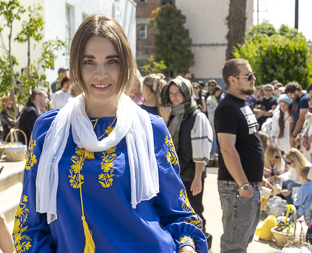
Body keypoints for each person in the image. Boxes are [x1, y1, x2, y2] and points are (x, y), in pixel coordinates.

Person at [12, 14, 208, 253]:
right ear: (76, 66)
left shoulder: (151, 128)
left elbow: (179, 215)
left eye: (112, 61)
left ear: (125, 65)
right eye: (89, 62)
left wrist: (187, 248)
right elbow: (28, 224)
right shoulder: (48, 130)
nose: (101, 73)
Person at [214, 58, 265, 253]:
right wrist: (244, 184)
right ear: (232, 80)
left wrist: (260, 175)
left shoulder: (241, 104)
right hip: (236, 186)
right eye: (249, 76)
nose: (254, 79)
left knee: (242, 242)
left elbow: (247, 143)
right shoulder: (227, 108)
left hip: (246, 184)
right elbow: (227, 148)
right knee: (234, 245)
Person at [161, 76, 213, 236]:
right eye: (171, 93)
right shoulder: (171, 115)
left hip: (191, 175)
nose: (174, 96)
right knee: (177, 212)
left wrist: (197, 178)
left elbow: (201, 150)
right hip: (175, 174)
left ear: (187, 93)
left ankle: (199, 244)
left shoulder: (197, 117)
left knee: (194, 211)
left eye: (178, 92)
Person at [285, 81, 309, 147]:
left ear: (296, 91)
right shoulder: (296, 100)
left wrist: (293, 135)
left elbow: (301, 120)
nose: (290, 97)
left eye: (290, 95)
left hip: (302, 135)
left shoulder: (304, 99)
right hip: (296, 135)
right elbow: (293, 119)